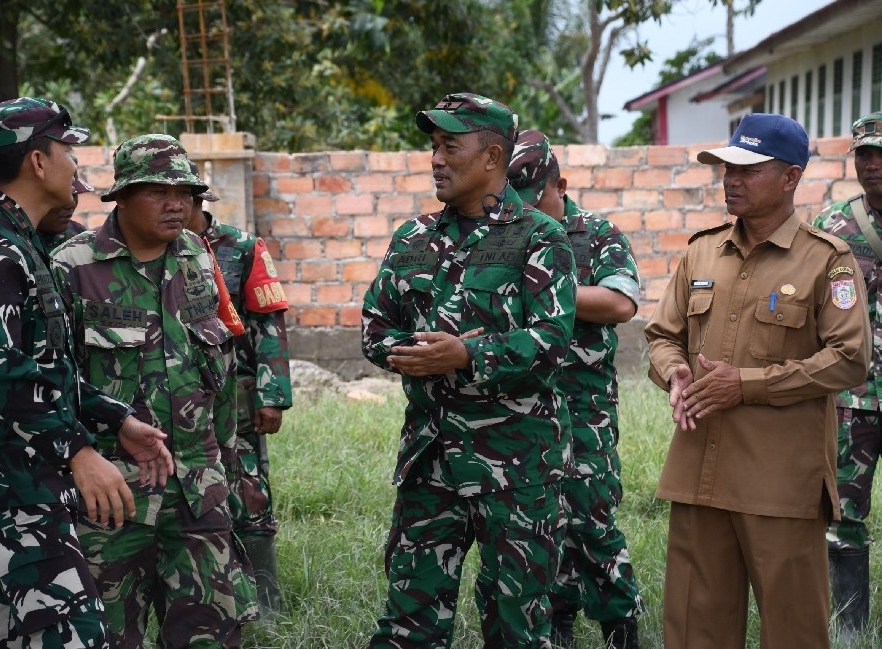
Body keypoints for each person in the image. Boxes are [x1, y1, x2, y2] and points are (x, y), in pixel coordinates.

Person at [0, 97, 173, 648]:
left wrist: (115, 417)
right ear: (38, 162)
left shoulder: (20, 241)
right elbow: (8, 379)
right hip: (6, 482)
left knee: (3, 635)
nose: (75, 165)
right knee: (79, 636)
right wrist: (79, 452)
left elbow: (44, 368)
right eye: (67, 150)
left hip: (19, 473)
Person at [644, 113, 872, 648]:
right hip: (699, 473)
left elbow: (850, 359)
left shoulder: (827, 260)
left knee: (793, 631)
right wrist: (673, 372)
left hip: (779, 482)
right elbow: (661, 334)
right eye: (727, 168)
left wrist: (745, 385)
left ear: (791, 178)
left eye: (748, 170)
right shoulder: (701, 250)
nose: (731, 179)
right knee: (694, 631)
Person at [362, 92, 578, 648]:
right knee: (408, 619)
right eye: (433, 146)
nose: (435, 158)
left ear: (492, 157)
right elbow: (373, 327)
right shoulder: (413, 238)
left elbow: (552, 341)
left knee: (516, 622)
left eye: (449, 146)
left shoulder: (539, 237)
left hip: (517, 467)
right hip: (430, 461)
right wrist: (412, 350)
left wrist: (468, 356)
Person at [51, 134, 256, 649]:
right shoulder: (72, 267)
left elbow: (220, 377)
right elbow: (52, 383)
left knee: (210, 632)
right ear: (121, 196)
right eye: (159, 191)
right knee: (109, 634)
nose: (177, 204)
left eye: (186, 192)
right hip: (113, 494)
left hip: (198, 486)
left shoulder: (197, 259)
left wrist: (229, 469)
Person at [508, 130, 643, 649]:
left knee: (590, 514)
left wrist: (543, 287)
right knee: (540, 519)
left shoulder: (595, 234)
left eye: (535, 198)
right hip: (522, 403)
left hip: (583, 404)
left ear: (559, 184)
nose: (526, 212)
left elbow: (619, 304)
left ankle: (619, 619)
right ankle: (557, 619)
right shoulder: (503, 234)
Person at [186, 179, 292, 622]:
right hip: (182, 397)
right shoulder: (155, 248)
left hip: (240, 393)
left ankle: (267, 606)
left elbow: (269, 323)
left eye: (181, 201)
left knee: (250, 493)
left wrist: (272, 394)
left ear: (197, 202)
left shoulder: (241, 247)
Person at [812, 110, 882, 637]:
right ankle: (851, 629)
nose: (874, 166)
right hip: (852, 400)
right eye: (866, 155)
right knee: (844, 519)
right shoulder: (833, 226)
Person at [38, 160, 89, 254]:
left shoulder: (79, 234)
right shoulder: (18, 240)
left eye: (74, 194)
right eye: (58, 196)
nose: (71, 204)